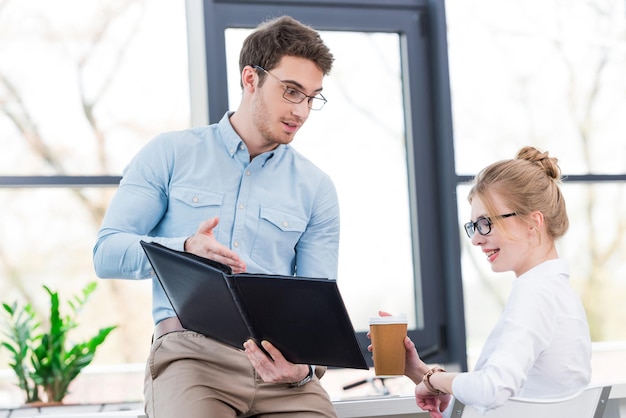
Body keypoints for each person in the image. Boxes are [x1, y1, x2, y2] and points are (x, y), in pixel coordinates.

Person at [93, 15, 339, 418]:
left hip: (285, 372)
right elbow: (106, 253)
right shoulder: (169, 154)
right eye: (292, 91)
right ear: (250, 79)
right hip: (192, 360)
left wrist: (305, 367)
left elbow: (316, 299)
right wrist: (186, 248)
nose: (303, 111)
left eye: (312, 97)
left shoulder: (316, 188)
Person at [372, 146, 592, 417]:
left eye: (485, 223)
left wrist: (432, 381)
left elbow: (493, 389)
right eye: (473, 226)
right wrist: (419, 372)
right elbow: (502, 404)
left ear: (532, 223)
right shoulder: (556, 290)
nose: (476, 239)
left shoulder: (536, 293)